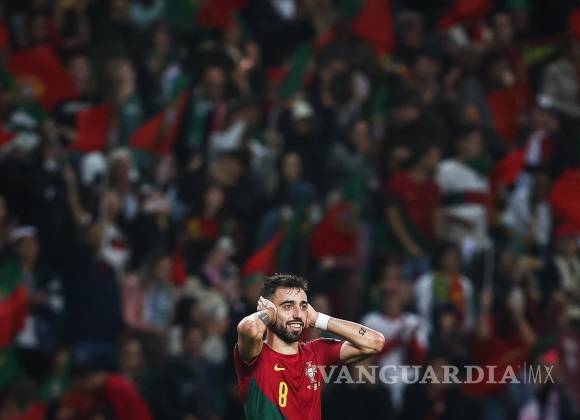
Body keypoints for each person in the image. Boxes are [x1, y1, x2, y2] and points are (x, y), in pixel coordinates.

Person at [234, 273, 385, 419]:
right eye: (288, 306)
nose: (298, 314)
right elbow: (249, 328)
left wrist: (318, 319)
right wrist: (269, 312)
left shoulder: (316, 351)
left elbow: (375, 342)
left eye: (303, 306)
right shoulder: (257, 355)